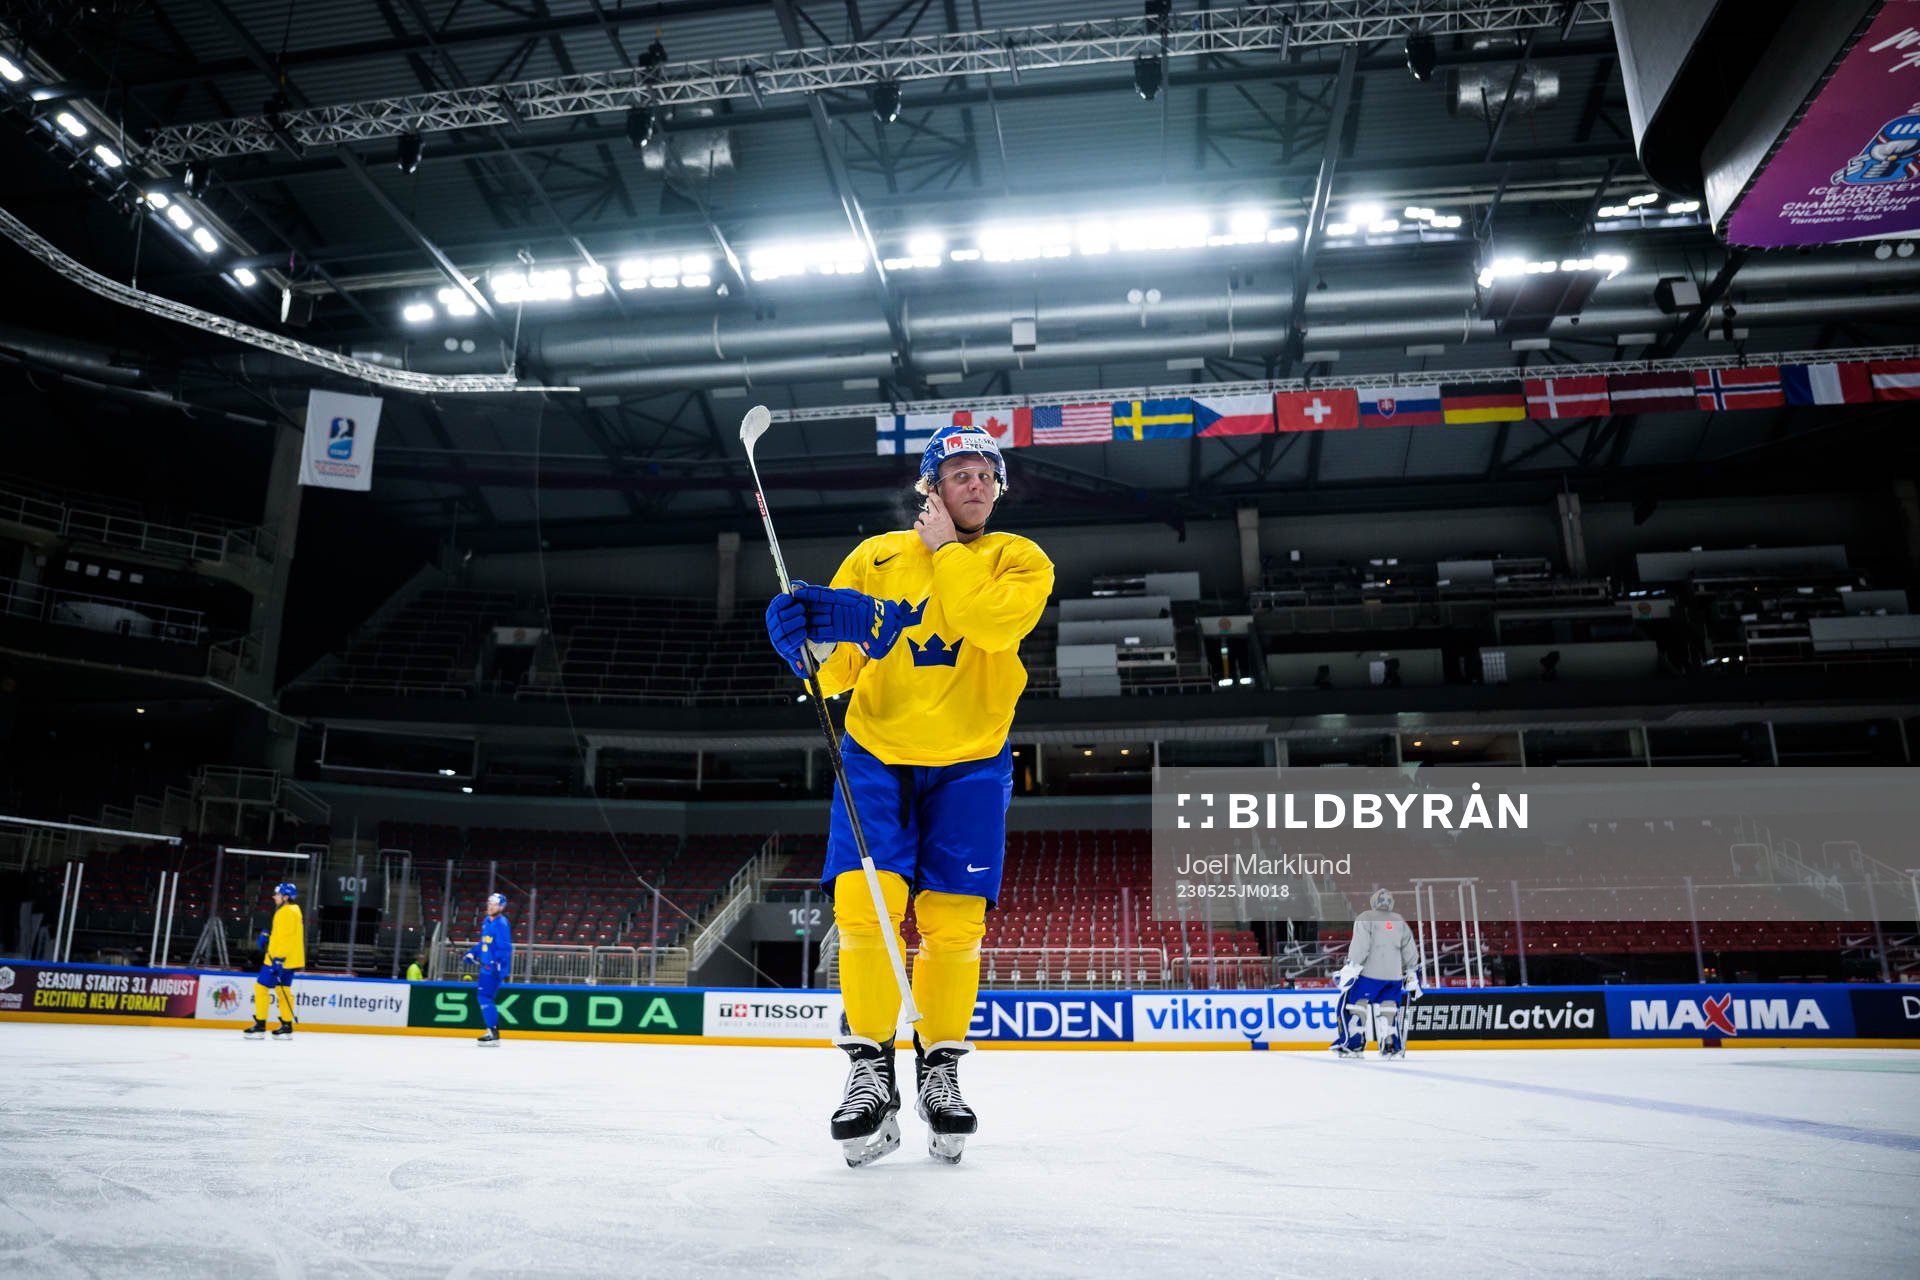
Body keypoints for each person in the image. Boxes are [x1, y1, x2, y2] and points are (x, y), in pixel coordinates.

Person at [764, 429, 1054, 1166]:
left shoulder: (1018, 560)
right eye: (958, 474)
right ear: (931, 487)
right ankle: (869, 1073)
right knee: (866, 912)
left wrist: (947, 551)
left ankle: (940, 1073)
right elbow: (835, 672)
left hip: (971, 761)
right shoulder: (875, 558)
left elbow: (989, 623)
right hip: (875, 754)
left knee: (954, 925)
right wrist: (803, 644)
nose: (977, 485)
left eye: (987, 474)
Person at [1332, 887, 1423, 1059]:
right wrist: (1411, 974)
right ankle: (1390, 1046)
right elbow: (1410, 952)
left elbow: (1361, 945)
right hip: (1394, 976)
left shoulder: (1365, 918)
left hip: (1369, 974)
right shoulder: (1399, 921)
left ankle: (1354, 1045)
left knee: (1356, 1005)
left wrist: (1352, 966)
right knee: (1389, 1009)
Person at [244, 882, 304, 1039]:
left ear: (285, 897)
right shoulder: (294, 910)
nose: (274, 897)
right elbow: (284, 935)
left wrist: (278, 960)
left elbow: (286, 939)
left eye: (277, 894)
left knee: (260, 988)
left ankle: (260, 1026)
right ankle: (286, 1026)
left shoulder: (285, 912)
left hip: (278, 959)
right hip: (289, 959)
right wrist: (269, 935)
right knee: (282, 990)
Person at [463, 892, 513, 1045]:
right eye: (489, 903)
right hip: (486, 968)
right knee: (484, 997)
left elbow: (505, 948)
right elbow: (483, 943)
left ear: (501, 907)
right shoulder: (486, 921)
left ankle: (493, 1032)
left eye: (495, 904)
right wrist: (473, 953)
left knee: (484, 997)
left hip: (494, 969)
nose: (491, 906)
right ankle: (492, 1030)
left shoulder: (501, 924)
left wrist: (496, 963)